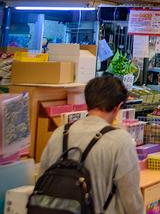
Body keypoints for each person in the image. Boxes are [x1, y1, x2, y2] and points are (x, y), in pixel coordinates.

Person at [38, 76, 144, 213]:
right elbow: (131, 199)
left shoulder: (60, 133)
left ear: (87, 102)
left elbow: (42, 179)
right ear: (117, 108)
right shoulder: (120, 140)